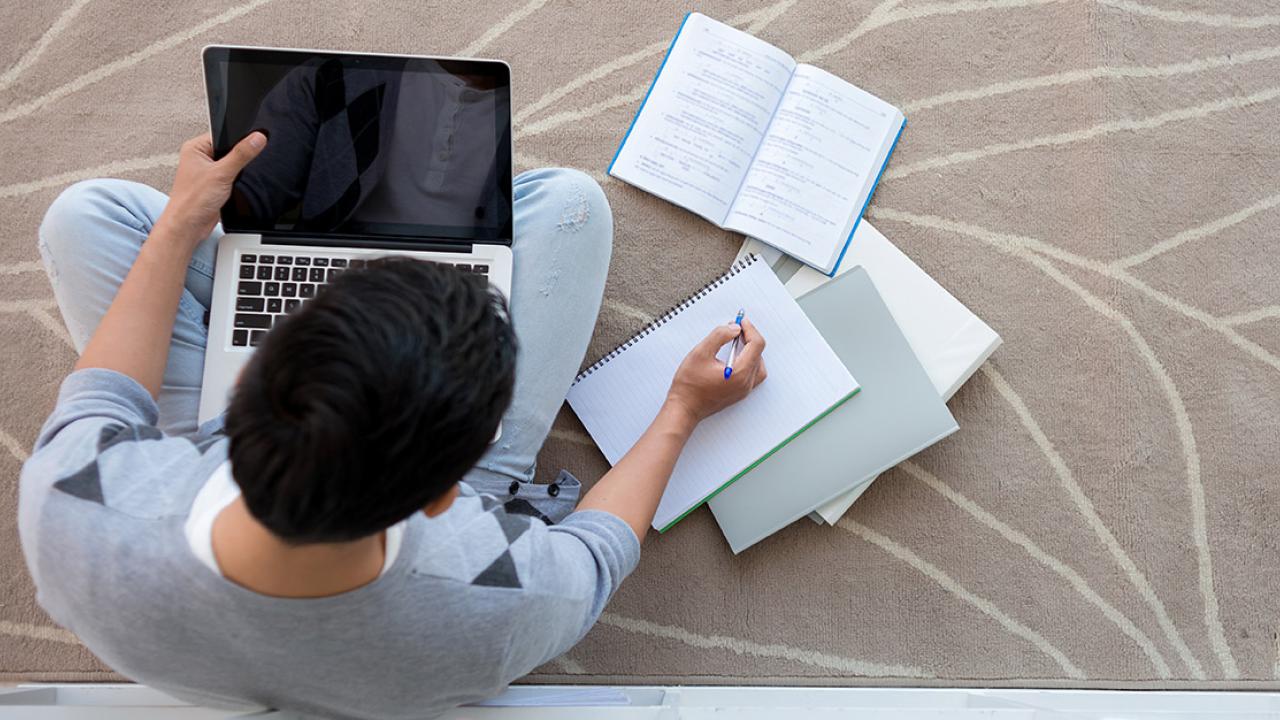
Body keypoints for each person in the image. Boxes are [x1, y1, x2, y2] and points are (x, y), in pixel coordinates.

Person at [18, 132, 767, 719]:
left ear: (246, 381)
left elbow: (110, 390)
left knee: (84, 215)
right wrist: (682, 410)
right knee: (570, 204)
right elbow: (598, 548)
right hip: (410, 566)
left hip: (191, 560)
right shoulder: (502, 593)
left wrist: (185, 219)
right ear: (449, 495)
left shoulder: (74, 496)